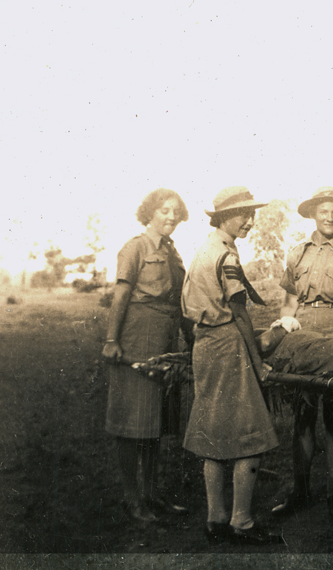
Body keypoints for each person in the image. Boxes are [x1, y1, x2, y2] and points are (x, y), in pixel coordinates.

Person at [181, 186, 281, 546]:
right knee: (249, 433)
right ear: (223, 217)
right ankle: (242, 521)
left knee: (214, 431)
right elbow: (239, 313)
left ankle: (216, 518)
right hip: (227, 344)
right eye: (243, 214)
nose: (250, 221)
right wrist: (257, 362)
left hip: (204, 343)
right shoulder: (225, 256)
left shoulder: (205, 250)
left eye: (252, 214)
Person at [273, 187, 333, 519]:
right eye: (324, 211)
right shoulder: (296, 254)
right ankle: (300, 491)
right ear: (313, 214)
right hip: (301, 336)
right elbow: (289, 302)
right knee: (302, 416)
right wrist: (285, 333)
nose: (330, 217)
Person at [102, 188, 190, 522]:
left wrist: (190, 340)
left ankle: (151, 495)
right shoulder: (135, 247)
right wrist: (112, 339)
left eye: (175, 211)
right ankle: (132, 499)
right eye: (164, 210)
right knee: (131, 425)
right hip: (137, 341)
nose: (171, 216)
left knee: (155, 423)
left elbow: (180, 303)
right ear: (149, 213)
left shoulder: (172, 252)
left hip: (165, 343)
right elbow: (121, 295)